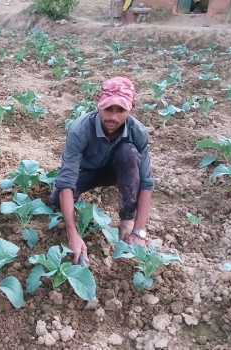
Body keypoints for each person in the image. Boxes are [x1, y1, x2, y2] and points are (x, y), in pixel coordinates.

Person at [50, 77, 154, 264]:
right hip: (86, 173)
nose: (113, 117)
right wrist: (72, 234)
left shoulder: (137, 131)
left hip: (115, 171)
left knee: (128, 154)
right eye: (108, 109)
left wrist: (139, 231)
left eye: (121, 110)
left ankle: (127, 218)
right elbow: (67, 180)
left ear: (132, 108)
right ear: (98, 103)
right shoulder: (80, 130)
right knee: (57, 198)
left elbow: (146, 181)